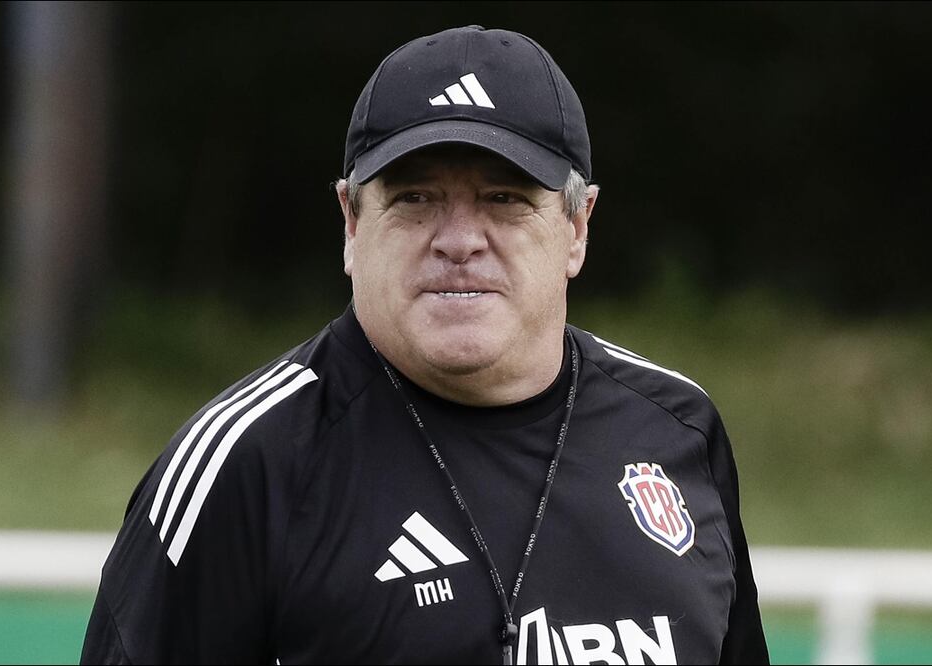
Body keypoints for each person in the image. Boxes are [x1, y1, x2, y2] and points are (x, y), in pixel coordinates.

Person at [81, 25, 768, 665]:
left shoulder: (676, 428)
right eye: (414, 198)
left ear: (577, 225)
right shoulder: (249, 464)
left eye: (504, 198)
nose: (459, 240)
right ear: (351, 220)